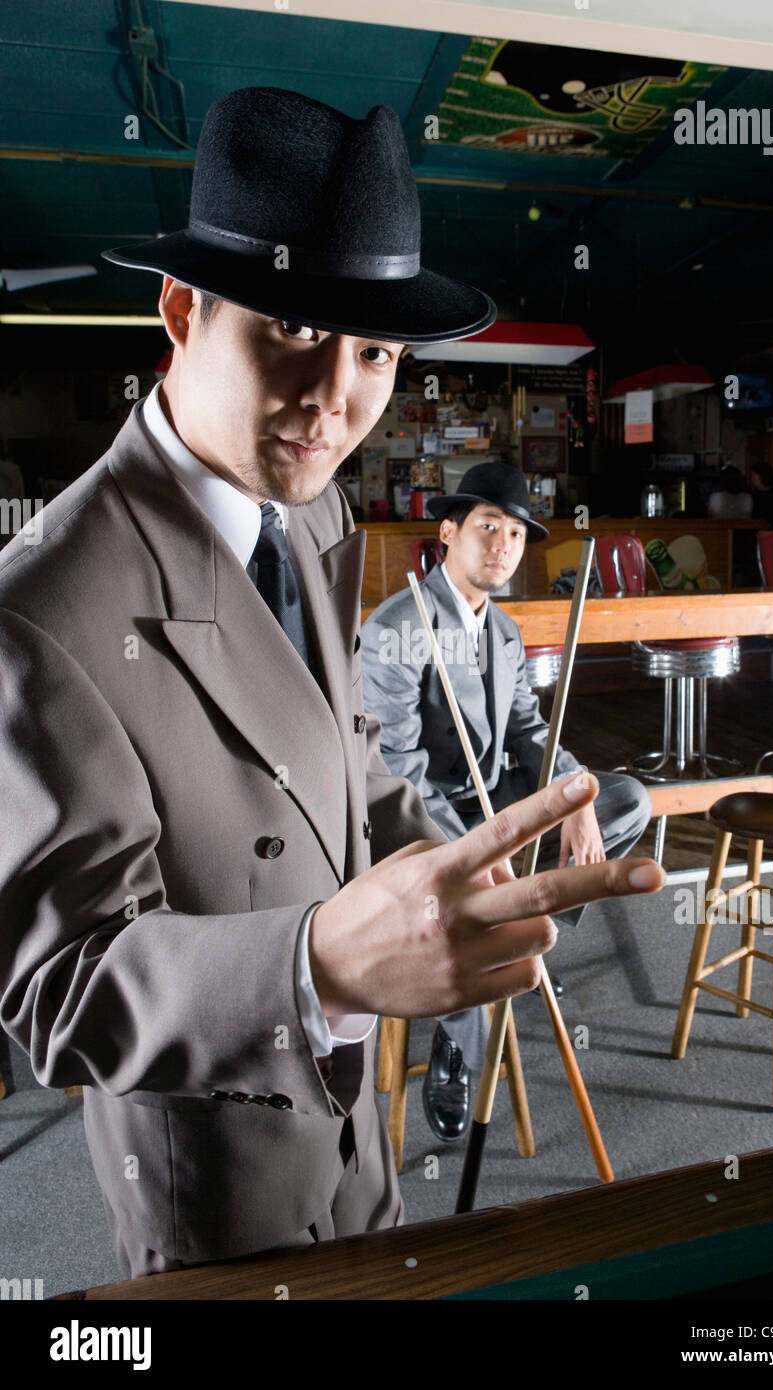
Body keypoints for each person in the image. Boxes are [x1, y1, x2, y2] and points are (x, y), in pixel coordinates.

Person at [0, 88, 664, 1280]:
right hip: (215, 1187)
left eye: (371, 351)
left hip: (364, 1124)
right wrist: (317, 967)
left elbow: (339, 753)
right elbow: (57, 993)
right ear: (183, 307)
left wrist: (464, 865)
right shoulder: (38, 610)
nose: (332, 400)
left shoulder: (312, 513)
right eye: (292, 329)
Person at [361, 463, 653, 1140]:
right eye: (487, 526)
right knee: (471, 891)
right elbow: (397, 773)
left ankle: (510, 922)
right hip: (423, 822)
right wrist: (476, 853)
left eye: (515, 533)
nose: (502, 545)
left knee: (627, 801)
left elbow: (528, 731)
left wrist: (573, 793)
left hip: (500, 804)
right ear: (447, 533)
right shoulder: (397, 628)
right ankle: (458, 1041)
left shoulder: (507, 631)